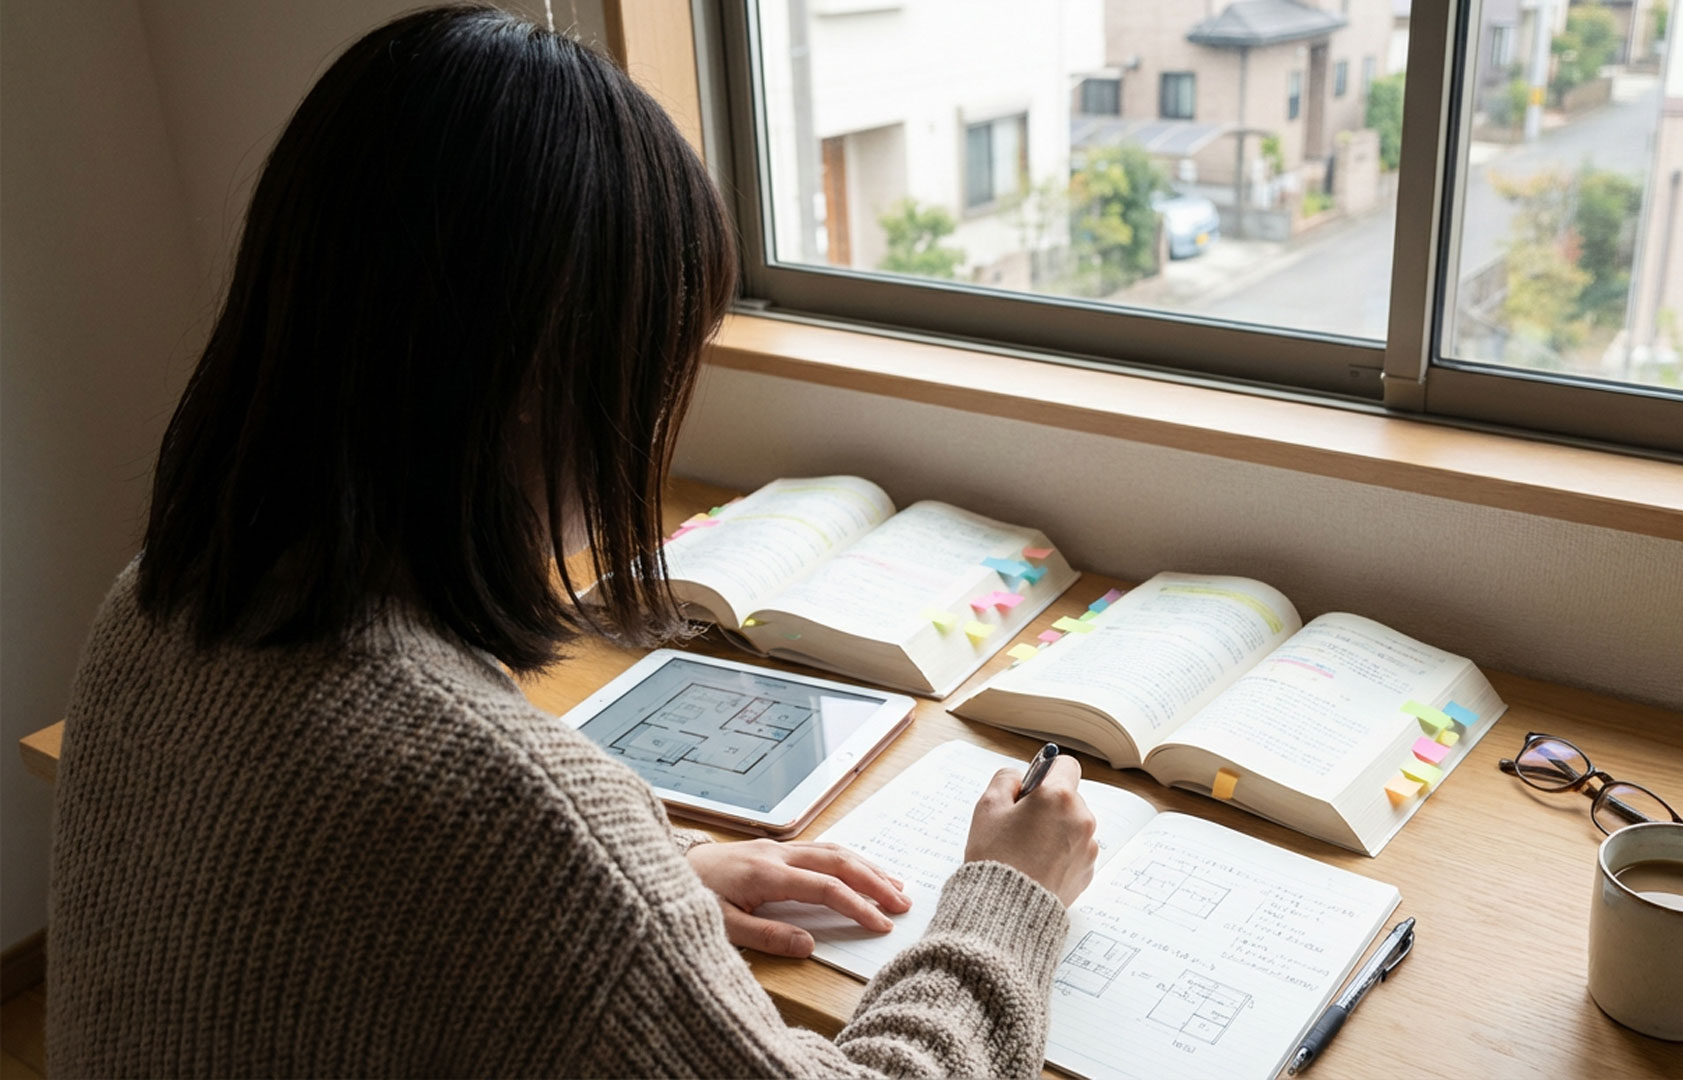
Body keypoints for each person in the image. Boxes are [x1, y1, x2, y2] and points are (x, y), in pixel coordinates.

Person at [45, 5, 1100, 1076]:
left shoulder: (152, 607)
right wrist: (1006, 901)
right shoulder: (504, 816)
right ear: (537, 387)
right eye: (653, 375)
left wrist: (652, 889)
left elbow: (332, 936)